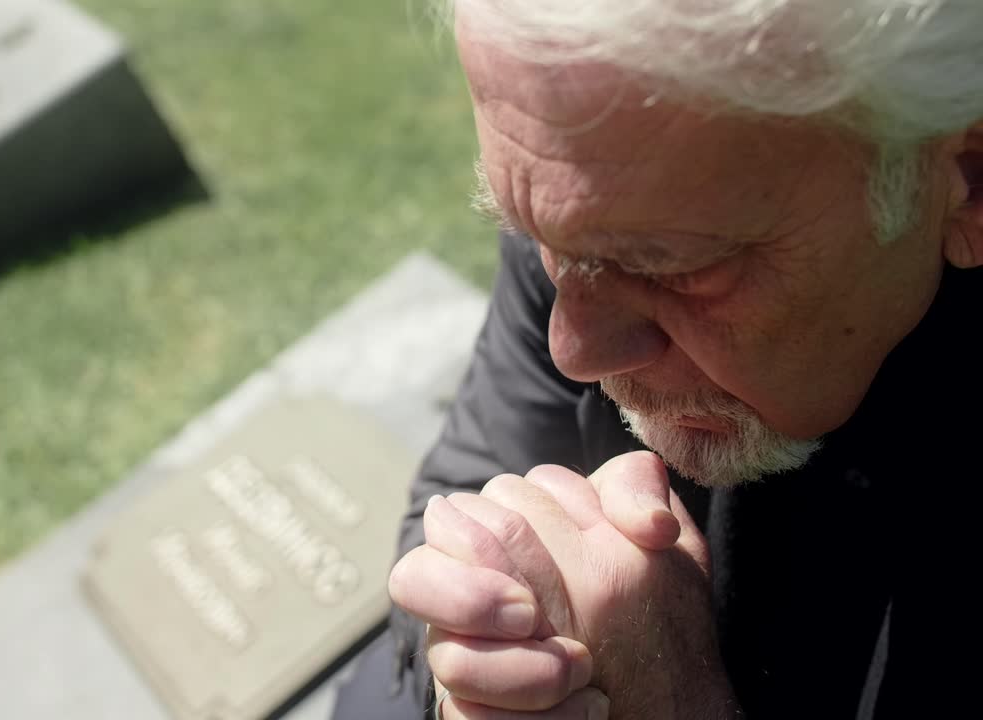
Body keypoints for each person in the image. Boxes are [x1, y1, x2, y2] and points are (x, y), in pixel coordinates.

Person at [330, 1, 983, 719]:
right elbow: (458, 491)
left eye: (672, 270)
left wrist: (669, 699)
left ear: (969, 180)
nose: (572, 350)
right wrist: (489, 651)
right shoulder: (601, 180)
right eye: (541, 239)